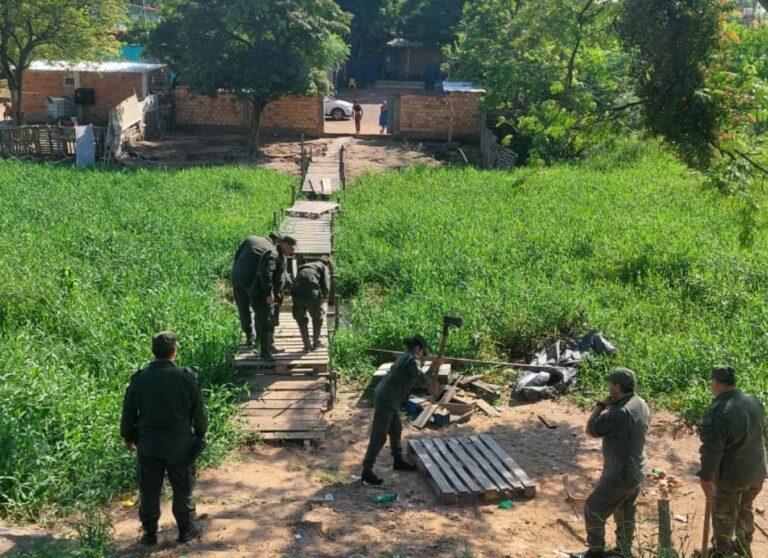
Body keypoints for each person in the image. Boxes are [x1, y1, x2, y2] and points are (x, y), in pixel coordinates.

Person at [120, 331, 208, 546]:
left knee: (149, 489)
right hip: (180, 445)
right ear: (174, 352)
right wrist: (200, 436)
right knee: (182, 487)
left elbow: (128, 413)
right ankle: (186, 529)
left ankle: (149, 533)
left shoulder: (140, 379)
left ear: (153, 351)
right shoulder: (186, 378)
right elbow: (200, 414)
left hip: (149, 444)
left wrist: (128, 437)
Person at [570, 368, 651, 558]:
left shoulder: (620, 412)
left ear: (617, 386)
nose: (608, 386)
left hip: (619, 473)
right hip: (637, 469)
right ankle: (623, 550)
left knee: (594, 507)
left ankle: (595, 551)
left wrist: (601, 405)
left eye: (610, 384)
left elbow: (590, 429)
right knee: (625, 510)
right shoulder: (641, 403)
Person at [699, 365, 767, 557]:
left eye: (711, 382)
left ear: (717, 382)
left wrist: (706, 479)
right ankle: (744, 548)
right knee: (745, 508)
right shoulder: (753, 401)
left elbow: (712, 450)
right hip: (757, 472)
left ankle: (723, 552)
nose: (711, 386)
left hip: (731, 477)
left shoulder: (719, 411)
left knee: (724, 515)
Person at [361, 335, 439, 485]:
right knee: (379, 437)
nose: (423, 356)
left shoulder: (405, 357)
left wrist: (429, 382)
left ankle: (398, 460)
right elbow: (420, 377)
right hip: (387, 400)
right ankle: (366, 471)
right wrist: (432, 369)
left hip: (390, 398)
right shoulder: (411, 360)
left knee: (396, 429)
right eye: (423, 352)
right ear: (417, 348)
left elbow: (412, 379)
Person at [252, 235, 296, 361]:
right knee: (265, 321)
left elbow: (282, 274)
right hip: (262, 295)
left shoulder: (282, 256)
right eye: (291, 247)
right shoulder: (273, 254)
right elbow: (266, 274)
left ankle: (270, 346)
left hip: (272, 295)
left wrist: (291, 287)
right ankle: (264, 353)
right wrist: (269, 293)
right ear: (284, 244)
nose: (293, 250)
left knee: (271, 320)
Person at [231, 235, 276, 346]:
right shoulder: (272, 248)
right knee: (259, 307)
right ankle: (260, 339)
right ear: (276, 242)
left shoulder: (250, 238)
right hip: (252, 279)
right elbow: (269, 271)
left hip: (236, 276)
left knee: (243, 308)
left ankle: (249, 336)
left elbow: (236, 255)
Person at [291, 256, 331, 352]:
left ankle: (307, 346)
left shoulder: (304, 267)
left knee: (301, 319)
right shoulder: (323, 267)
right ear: (327, 264)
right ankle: (316, 342)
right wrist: (325, 297)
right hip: (311, 293)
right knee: (317, 318)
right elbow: (325, 284)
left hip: (296, 292)